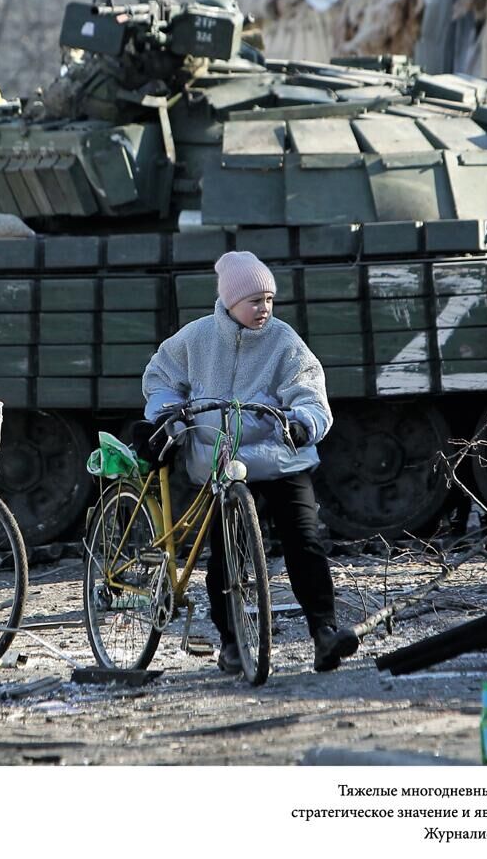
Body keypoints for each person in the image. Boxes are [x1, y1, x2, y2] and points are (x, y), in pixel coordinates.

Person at [141, 250, 360, 673]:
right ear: (230, 302)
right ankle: (232, 643)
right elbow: (161, 377)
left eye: (270, 300)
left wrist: (304, 423)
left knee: (306, 541)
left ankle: (325, 632)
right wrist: (166, 413)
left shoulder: (284, 340)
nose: (265, 309)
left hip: (280, 457)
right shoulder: (197, 338)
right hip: (221, 462)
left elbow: (309, 389)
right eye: (255, 300)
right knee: (226, 554)